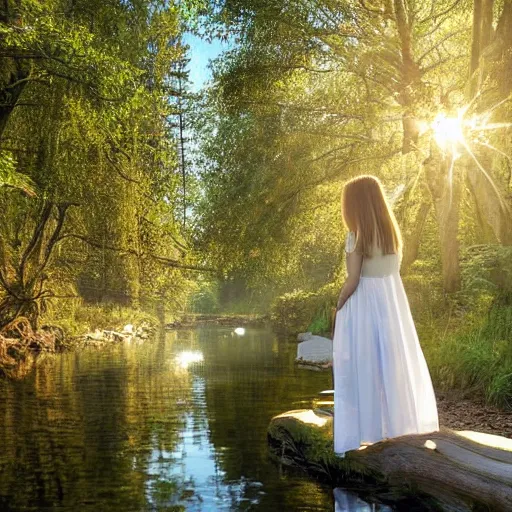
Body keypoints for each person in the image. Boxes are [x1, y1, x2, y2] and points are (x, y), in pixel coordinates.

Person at [332, 175, 439, 457]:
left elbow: (353, 280)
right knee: (393, 367)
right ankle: (400, 428)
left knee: (363, 367)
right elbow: (391, 273)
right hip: (392, 305)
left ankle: (368, 432)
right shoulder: (392, 235)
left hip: (364, 307)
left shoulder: (356, 237)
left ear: (354, 206)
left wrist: (338, 306)